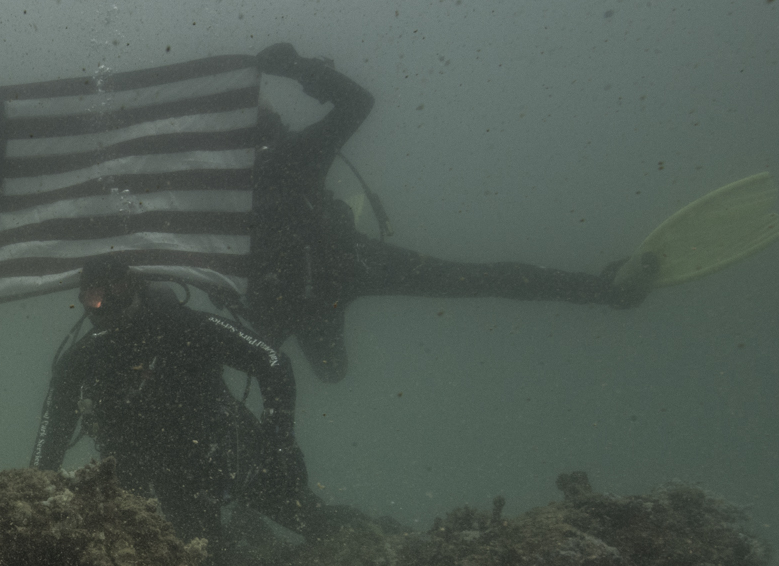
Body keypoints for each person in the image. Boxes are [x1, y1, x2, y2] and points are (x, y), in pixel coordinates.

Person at [243, 43, 653, 383]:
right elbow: (357, 102)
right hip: (339, 266)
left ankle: (607, 290)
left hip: (277, 294)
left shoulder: (229, 178)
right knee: (479, 278)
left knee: (330, 370)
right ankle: (607, 290)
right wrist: (300, 69)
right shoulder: (292, 156)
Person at [31, 255, 316, 544]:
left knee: (309, 518)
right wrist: (33, 497)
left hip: (231, 456)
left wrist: (281, 441)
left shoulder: (186, 327)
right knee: (201, 561)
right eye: (93, 296)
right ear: (82, 300)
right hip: (159, 482)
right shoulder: (81, 359)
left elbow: (273, 362)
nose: (104, 303)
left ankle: (275, 529)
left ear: (133, 285)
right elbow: (52, 431)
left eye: (114, 289)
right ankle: (238, 543)